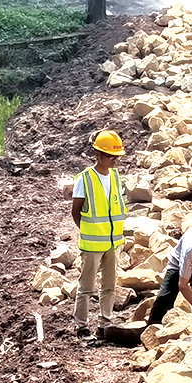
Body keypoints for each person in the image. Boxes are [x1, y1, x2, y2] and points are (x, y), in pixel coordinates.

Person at [71, 130, 127, 339]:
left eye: (117, 156)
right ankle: (82, 327)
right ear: (99, 154)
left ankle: (105, 324)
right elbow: (76, 212)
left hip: (113, 243)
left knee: (109, 285)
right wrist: (88, 232)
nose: (115, 160)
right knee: (86, 287)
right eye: (111, 156)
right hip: (92, 243)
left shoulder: (115, 177)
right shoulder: (84, 179)